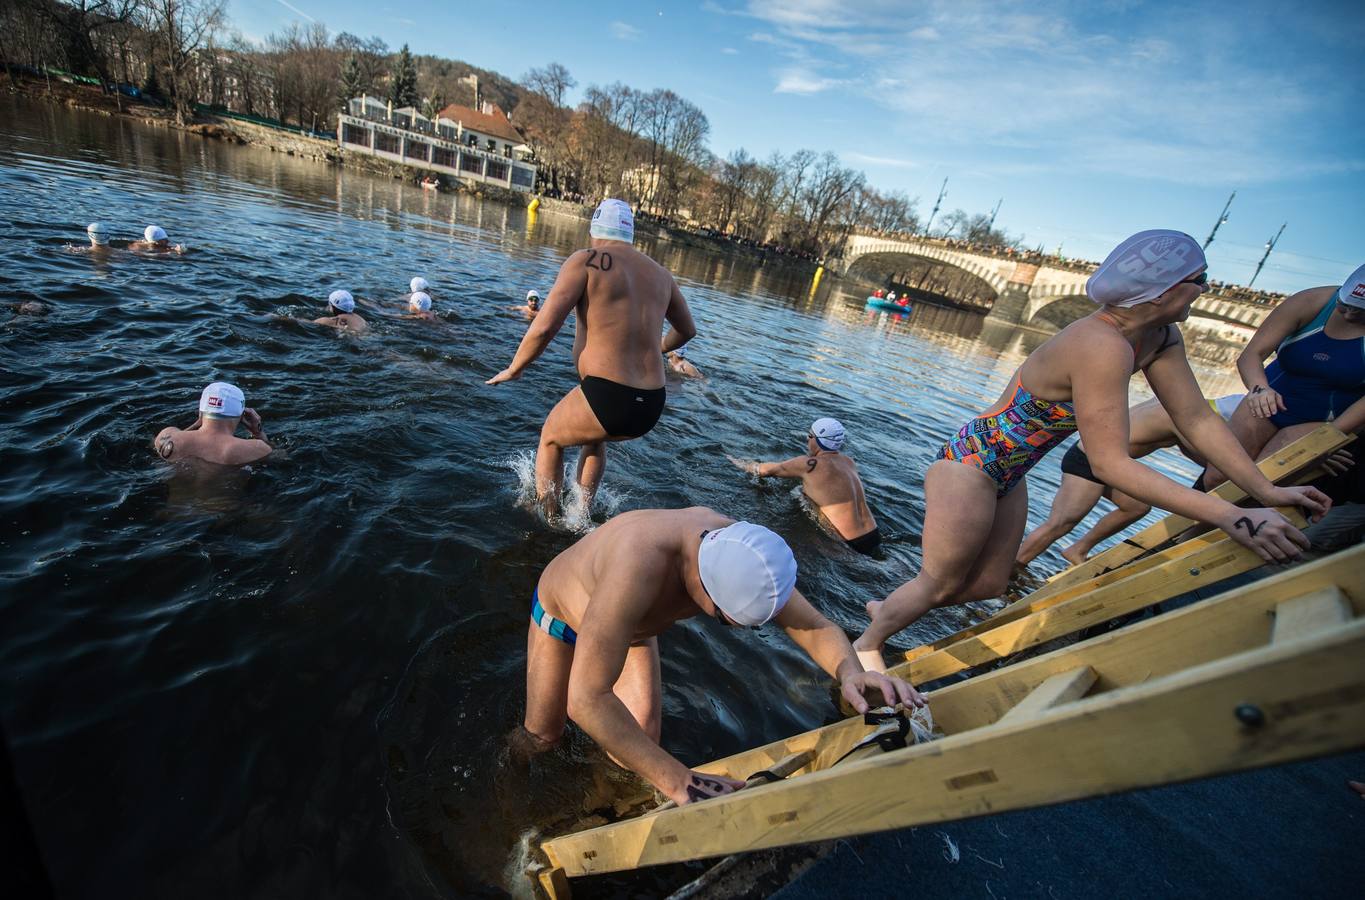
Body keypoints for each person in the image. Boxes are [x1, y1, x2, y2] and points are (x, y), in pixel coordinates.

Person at [852, 230, 1330, 672]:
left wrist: (1265, 490)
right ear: (1163, 290)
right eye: (1199, 281)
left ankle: (891, 606)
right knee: (938, 583)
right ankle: (866, 645)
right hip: (971, 463)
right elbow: (1109, 463)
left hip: (1010, 473)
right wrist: (1232, 516)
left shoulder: (1159, 337)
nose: (1205, 289)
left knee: (990, 584)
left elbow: (1197, 418)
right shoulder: (1100, 344)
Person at [514, 508, 924, 806]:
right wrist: (677, 780)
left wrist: (851, 672)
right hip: (561, 615)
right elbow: (586, 699)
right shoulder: (637, 566)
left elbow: (813, 624)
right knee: (543, 737)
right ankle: (510, 783)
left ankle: (599, 808)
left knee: (637, 746)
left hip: (630, 628)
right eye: (725, 621)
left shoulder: (745, 553)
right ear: (701, 586)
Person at [486, 199, 698, 516]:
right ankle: (581, 514)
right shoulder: (661, 275)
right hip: (651, 402)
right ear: (630, 232)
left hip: (609, 395)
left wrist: (515, 368)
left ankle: (550, 518)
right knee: (595, 438)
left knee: (550, 438)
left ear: (594, 229)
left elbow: (544, 327)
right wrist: (657, 347)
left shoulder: (586, 261)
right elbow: (687, 330)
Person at [1016, 393, 1245, 567]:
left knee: (1136, 507)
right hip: (1088, 459)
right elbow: (1211, 461)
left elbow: (1193, 452)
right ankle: (1015, 568)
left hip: (1106, 462)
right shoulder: (1184, 418)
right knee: (1060, 524)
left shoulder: (1180, 405)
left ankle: (1077, 550)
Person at [1203, 263, 1365, 489]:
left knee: (1261, 482)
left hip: (1323, 419)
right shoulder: (1311, 301)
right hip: (1270, 400)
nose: (1348, 314)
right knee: (1218, 476)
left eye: (1360, 313)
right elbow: (1252, 354)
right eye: (1343, 305)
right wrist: (1259, 389)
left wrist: (1331, 438)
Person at [729, 418, 880, 554]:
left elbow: (764, 470)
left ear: (819, 440)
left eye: (810, 435)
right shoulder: (849, 462)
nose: (807, 440)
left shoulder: (808, 465)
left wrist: (737, 462)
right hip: (873, 535)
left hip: (847, 542)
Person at [153, 382, 273, 466]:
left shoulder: (167, 436)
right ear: (242, 416)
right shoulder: (256, 448)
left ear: (201, 412)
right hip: (225, 502)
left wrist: (198, 423)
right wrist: (257, 432)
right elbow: (280, 457)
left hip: (175, 503)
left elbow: (156, 446)